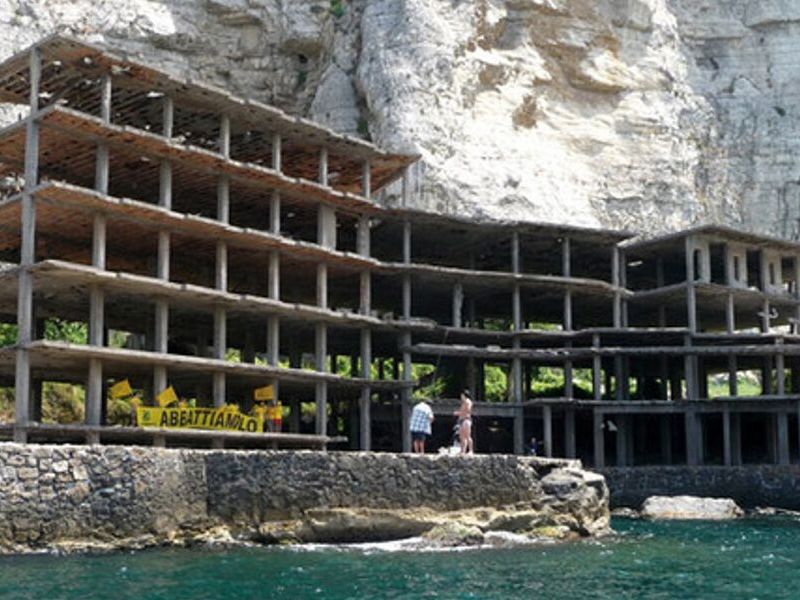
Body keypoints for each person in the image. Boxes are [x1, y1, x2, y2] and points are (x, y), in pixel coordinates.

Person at [453, 389, 473, 454]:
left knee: (467, 436)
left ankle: (470, 450)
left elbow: (468, 411)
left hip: (466, 419)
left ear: (464, 395)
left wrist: (458, 413)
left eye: (462, 395)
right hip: (461, 420)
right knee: (461, 436)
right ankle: (462, 451)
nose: (461, 397)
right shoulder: (463, 403)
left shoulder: (468, 402)